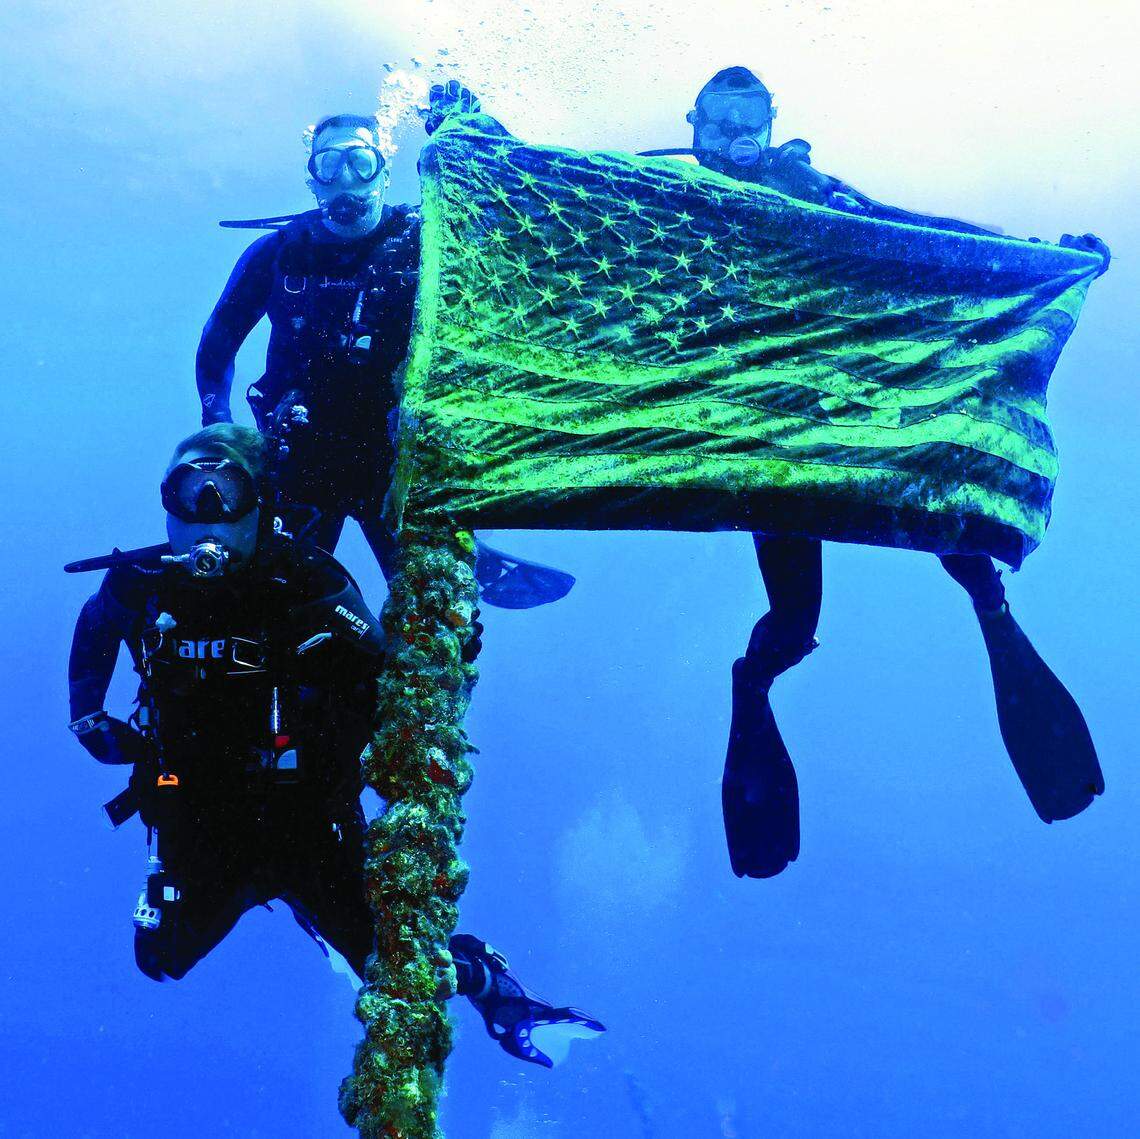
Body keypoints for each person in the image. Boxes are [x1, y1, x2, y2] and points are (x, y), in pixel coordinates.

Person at [651, 67, 1108, 878]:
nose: (732, 141)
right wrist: (485, 148)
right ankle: (752, 684)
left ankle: (992, 610)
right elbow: (561, 196)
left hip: (853, 414)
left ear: (771, 123)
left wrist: (1033, 258)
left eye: (748, 121)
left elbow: (918, 233)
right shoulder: (659, 190)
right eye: (717, 123)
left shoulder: (811, 189)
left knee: (948, 519)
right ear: (691, 125)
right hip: (766, 440)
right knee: (791, 620)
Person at [66, 423, 604, 1068]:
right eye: (189, 489)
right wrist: (88, 717)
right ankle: (304, 910)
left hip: (309, 821)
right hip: (200, 821)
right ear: (167, 504)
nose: (207, 509)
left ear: (260, 503)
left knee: (400, 973)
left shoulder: (306, 576)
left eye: (226, 488)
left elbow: (389, 679)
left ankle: (489, 983)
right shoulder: (138, 582)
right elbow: (95, 626)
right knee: (159, 960)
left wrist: (439, 660)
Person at [195, 87, 572, 610]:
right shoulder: (278, 255)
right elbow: (217, 346)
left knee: (424, 612)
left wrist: (469, 133)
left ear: (385, 173)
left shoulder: (430, 240)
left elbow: (519, 222)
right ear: (312, 180)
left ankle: (464, 557)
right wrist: (218, 427)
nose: (345, 177)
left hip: (399, 461)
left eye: (361, 160)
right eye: (329, 164)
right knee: (279, 608)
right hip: (299, 458)